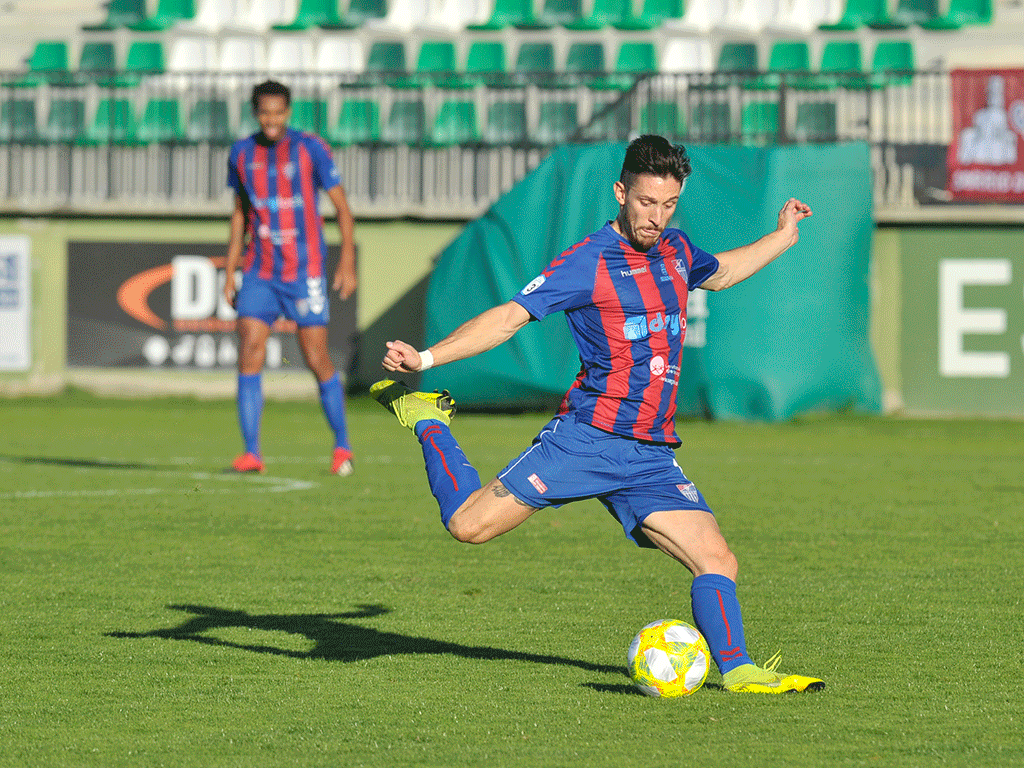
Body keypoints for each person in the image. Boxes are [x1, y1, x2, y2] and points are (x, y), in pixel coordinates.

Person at [372, 135, 825, 693]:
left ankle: (739, 672)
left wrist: (783, 236)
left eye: (667, 204)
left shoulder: (677, 251)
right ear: (620, 192)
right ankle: (429, 420)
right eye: (645, 203)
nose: (656, 217)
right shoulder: (588, 261)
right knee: (467, 526)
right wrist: (426, 358)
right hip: (586, 440)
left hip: (649, 454)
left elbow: (725, 272)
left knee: (718, 559)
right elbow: (508, 318)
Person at [223, 79, 357, 476]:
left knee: (316, 357)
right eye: (264, 112)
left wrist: (346, 259)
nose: (271, 119)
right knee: (250, 350)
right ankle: (251, 453)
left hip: (304, 270)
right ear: (255, 112)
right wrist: (230, 269)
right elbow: (240, 214)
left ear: (288, 112)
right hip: (260, 270)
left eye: (278, 112)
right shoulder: (241, 154)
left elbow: (342, 207)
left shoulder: (310, 148)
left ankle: (342, 446)